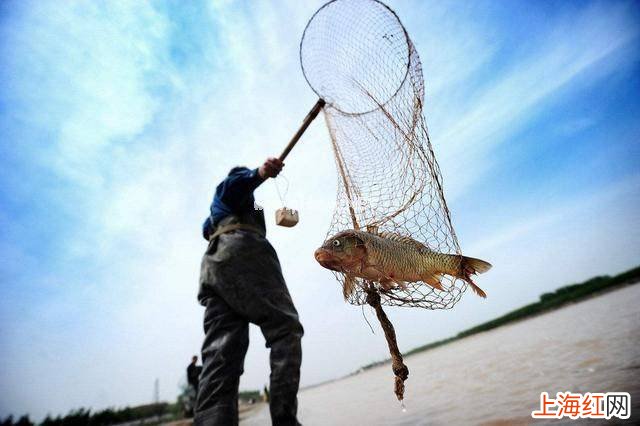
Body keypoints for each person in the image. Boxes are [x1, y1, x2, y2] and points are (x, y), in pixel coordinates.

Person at [196, 157, 304, 426]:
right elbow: (235, 185)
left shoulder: (220, 213)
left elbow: (206, 228)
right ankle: (285, 420)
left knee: (221, 353)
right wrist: (259, 173)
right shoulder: (230, 188)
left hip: (214, 266)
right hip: (244, 252)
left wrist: (256, 183)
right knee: (285, 329)